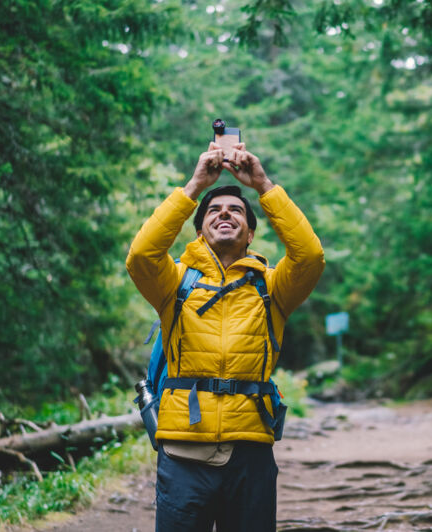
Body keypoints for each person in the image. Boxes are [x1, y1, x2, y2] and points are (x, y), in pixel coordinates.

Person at [126, 141, 325, 531]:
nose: (225, 214)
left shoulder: (273, 287)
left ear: (250, 233)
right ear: (199, 231)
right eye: (214, 212)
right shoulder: (174, 282)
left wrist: (264, 186)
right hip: (183, 450)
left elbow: (310, 257)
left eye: (235, 210)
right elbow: (141, 257)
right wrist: (194, 187)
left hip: (251, 448)